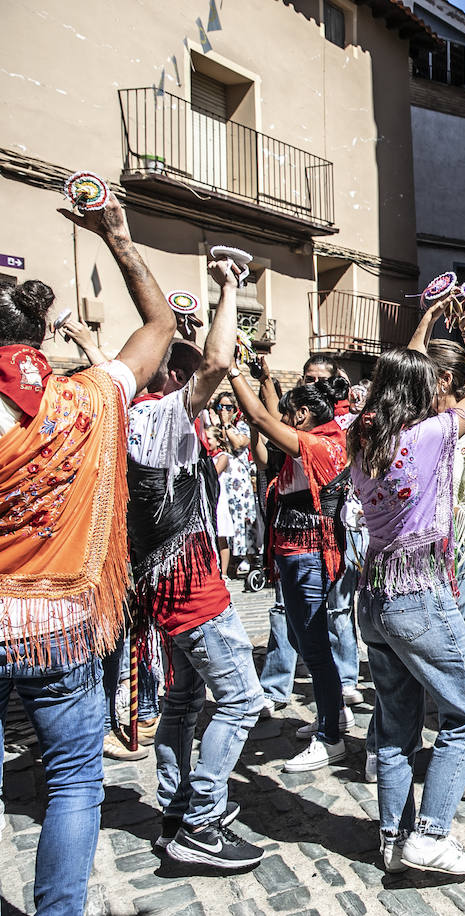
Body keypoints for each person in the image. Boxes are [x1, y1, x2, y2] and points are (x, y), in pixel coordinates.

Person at [0, 193, 176, 915]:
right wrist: (118, 238)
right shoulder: (85, 401)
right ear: (41, 337)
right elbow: (160, 327)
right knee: (73, 781)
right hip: (59, 623)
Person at [348, 297, 465, 876]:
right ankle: (431, 834)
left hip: (375, 594)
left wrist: (427, 320)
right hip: (418, 593)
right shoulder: (431, 435)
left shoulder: (364, 439)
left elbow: (398, 375)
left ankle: (392, 837)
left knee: (394, 724)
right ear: (421, 392)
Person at [124, 259, 266, 868]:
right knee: (241, 700)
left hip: (162, 583)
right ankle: (201, 824)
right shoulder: (162, 416)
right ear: (174, 378)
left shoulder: (126, 415)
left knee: (183, 703)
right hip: (191, 588)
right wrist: (228, 289)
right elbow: (217, 363)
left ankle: (177, 807)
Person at [231, 370, 352, 771]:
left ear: (301, 415)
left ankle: (331, 737)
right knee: (304, 641)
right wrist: (265, 380)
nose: (281, 422)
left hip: (308, 555)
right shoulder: (313, 440)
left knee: (313, 646)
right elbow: (265, 428)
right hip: (294, 552)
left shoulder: (320, 444)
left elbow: (261, 418)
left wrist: (232, 372)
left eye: (287, 415)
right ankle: (334, 712)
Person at [406, 305, 465, 797]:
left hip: (458, 556)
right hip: (416, 559)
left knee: (462, 661)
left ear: (443, 381)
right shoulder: (414, 427)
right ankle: (401, 750)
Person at [209, 394, 258, 575]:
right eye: (221, 407)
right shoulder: (214, 427)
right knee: (224, 520)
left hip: (239, 482)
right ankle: (228, 564)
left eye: (229, 407)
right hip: (223, 482)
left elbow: (238, 444)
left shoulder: (241, 425)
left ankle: (250, 561)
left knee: (243, 519)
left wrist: (226, 424)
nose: (224, 411)